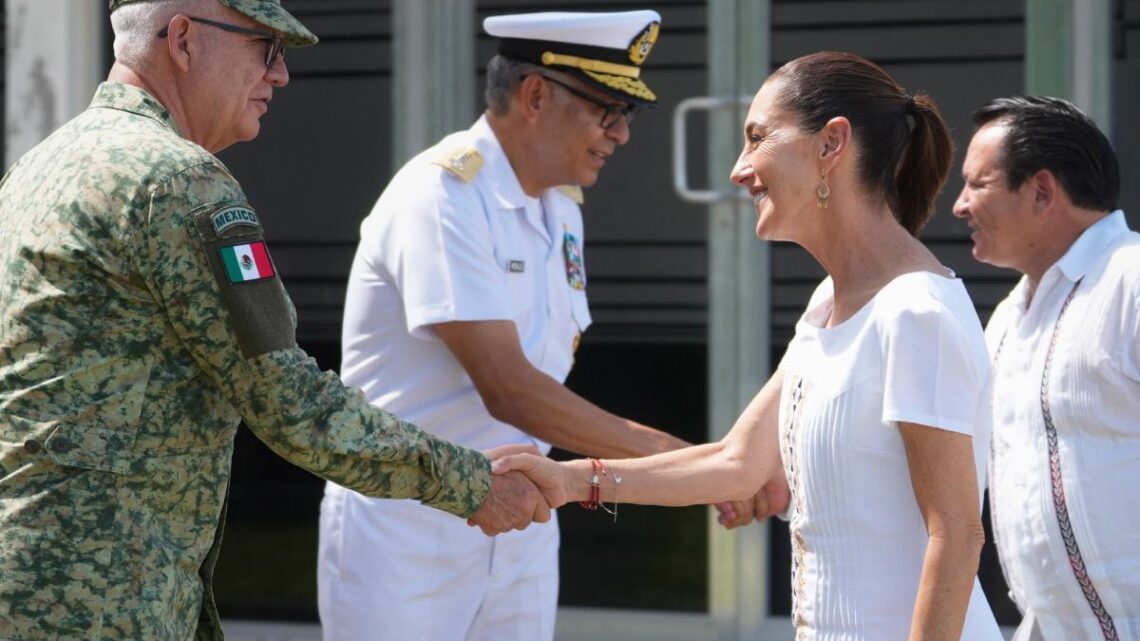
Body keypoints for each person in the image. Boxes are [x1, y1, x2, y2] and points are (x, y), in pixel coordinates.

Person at [0, 1, 549, 640]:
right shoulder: (176, 180)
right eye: (266, 48)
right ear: (182, 40)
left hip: (42, 571)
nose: (281, 75)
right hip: (101, 595)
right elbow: (289, 400)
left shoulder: (40, 165)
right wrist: (472, 483)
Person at [496, 51, 1005, 641]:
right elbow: (737, 465)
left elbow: (958, 533)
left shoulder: (917, 312)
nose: (739, 169)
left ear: (831, 144)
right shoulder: (829, 301)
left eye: (757, 137)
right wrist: (568, 480)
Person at [316, 10, 692, 641]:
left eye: (629, 114)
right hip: (410, 528)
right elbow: (511, 390)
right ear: (536, 95)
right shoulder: (443, 195)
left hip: (522, 521)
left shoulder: (560, 208)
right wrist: (693, 465)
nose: (622, 134)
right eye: (608, 109)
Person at [953, 97, 1140, 641]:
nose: (960, 206)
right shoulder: (1010, 316)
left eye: (977, 184)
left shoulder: (1129, 281)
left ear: (1041, 190)